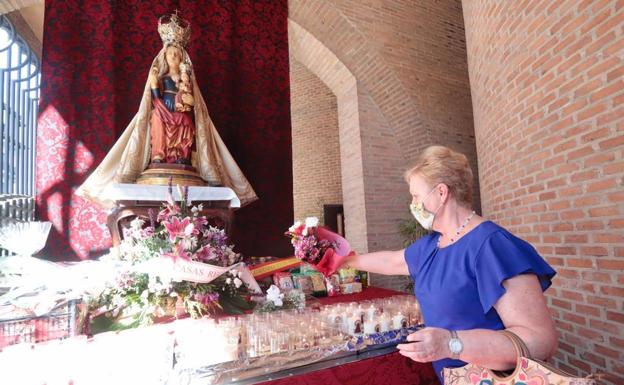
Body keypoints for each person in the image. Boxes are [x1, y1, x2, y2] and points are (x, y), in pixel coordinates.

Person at [339, 145, 558, 383]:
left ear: (441, 193)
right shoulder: (434, 244)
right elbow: (392, 261)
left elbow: (539, 341)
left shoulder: (491, 245)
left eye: (415, 196)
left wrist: (451, 343)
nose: (413, 204)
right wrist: (342, 261)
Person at [76, 13, 257, 208]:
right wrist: (155, 86)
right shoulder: (161, 78)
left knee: (188, 122)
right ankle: (159, 156)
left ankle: (181, 156)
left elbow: (195, 106)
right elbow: (154, 99)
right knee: (156, 117)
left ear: (182, 58)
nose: (174, 56)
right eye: (171, 53)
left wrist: (190, 101)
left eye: (177, 54)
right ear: (164, 55)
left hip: (181, 112)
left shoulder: (186, 81)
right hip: (163, 109)